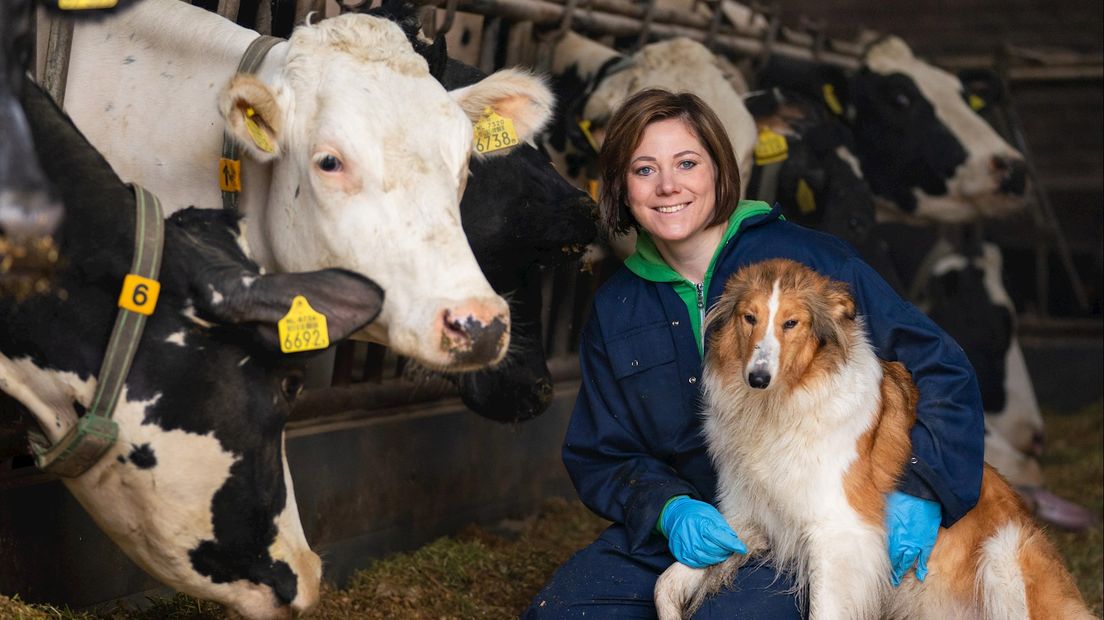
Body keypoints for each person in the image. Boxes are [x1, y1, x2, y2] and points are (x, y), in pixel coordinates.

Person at [523, 89, 984, 618]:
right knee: (560, 611)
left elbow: (940, 367)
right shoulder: (617, 304)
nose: (668, 185)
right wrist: (669, 510)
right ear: (620, 188)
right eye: (644, 169)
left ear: (720, 169)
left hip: (792, 522)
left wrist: (924, 485)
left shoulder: (811, 262)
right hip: (695, 525)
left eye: (687, 163)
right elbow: (603, 452)